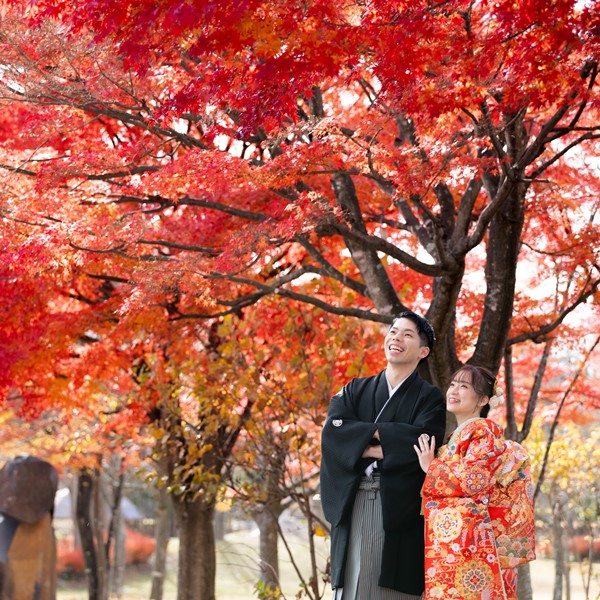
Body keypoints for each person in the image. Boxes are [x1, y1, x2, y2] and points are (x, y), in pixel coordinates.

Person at [320, 310, 447, 600]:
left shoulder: (430, 398)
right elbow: (333, 435)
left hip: (398, 504)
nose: (396, 338)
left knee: (388, 587)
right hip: (354, 497)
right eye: (393, 331)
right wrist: (393, 438)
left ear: (423, 351)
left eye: (407, 334)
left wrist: (360, 441)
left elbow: (424, 442)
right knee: (355, 582)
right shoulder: (355, 389)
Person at [414, 365, 535, 600]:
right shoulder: (460, 435)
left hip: (474, 543)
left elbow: (473, 481)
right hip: (462, 543)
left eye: (464, 386)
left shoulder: (483, 431)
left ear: (483, 399)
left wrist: (432, 467)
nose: (454, 390)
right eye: (452, 384)